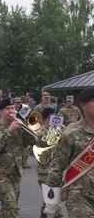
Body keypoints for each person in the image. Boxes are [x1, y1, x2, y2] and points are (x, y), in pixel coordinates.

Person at [44, 88, 94, 217]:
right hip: (80, 197)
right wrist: (51, 201)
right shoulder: (71, 133)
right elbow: (56, 167)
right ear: (83, 105)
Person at [0, 97, 38, 218]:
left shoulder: (19, 125)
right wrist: (9, 131)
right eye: (7, 109)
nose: (11, 111)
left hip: (16, 172)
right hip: (1, 173)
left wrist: (25, 127)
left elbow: (34, 141)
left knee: (8, 208)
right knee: (12, 208)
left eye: (12, 108)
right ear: (1, 111)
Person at [35, 107, 63, 218]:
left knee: (49, 200)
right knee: (54, 199)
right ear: (48, 118)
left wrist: (64, 133)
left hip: (56, 170)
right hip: (44, 171)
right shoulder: (40, 132)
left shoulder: (57, 130)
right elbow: (46, 144)